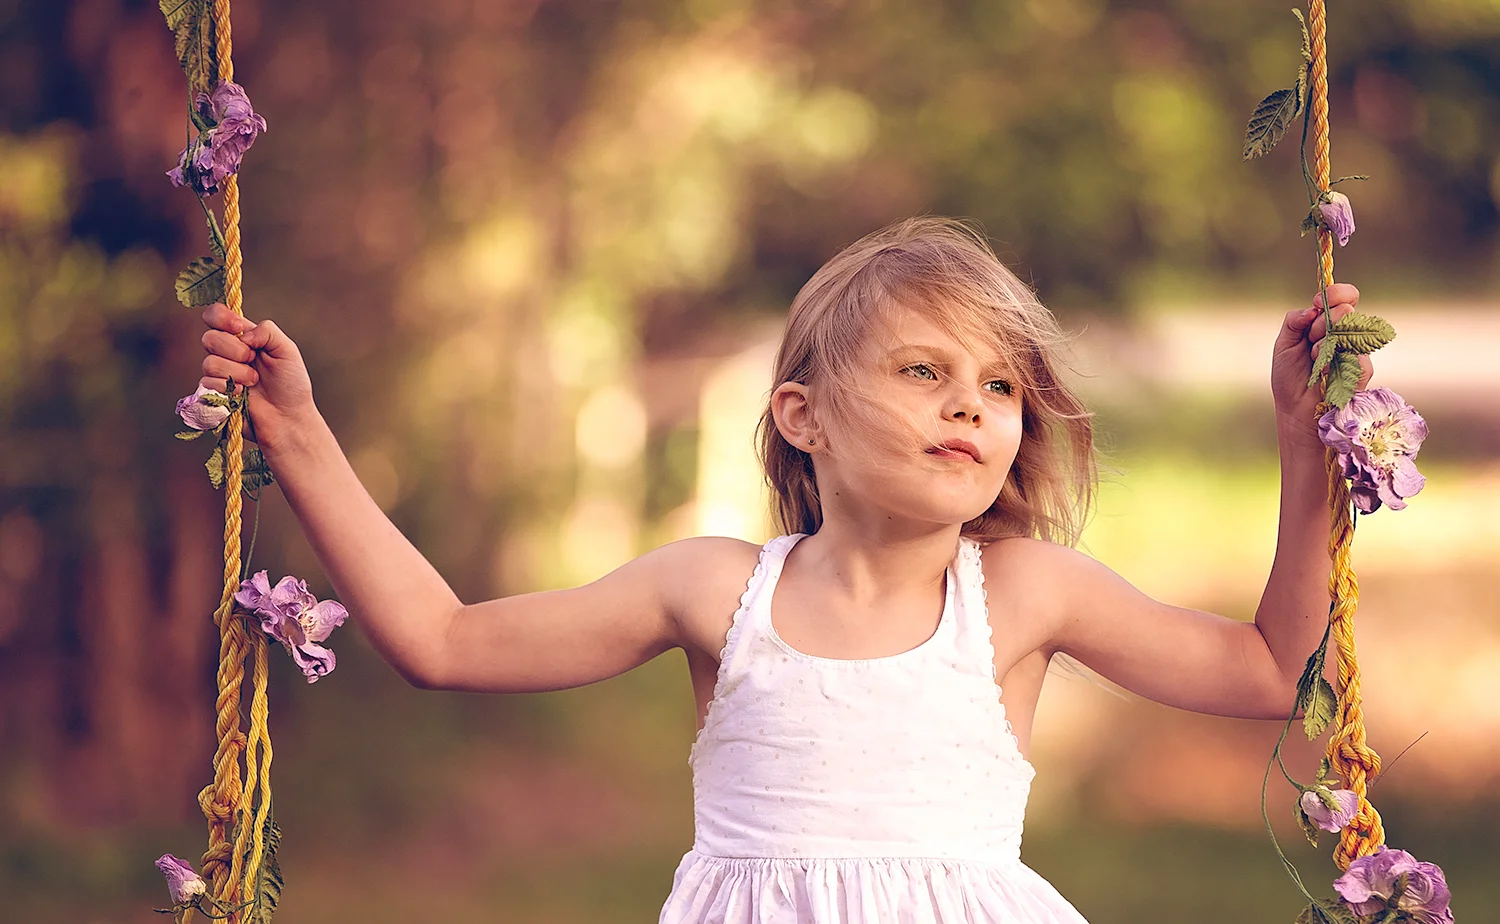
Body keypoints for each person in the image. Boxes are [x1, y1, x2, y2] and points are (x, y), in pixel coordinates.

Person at [196, 217, 1369, 923]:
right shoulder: (715, 592)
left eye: (1001, 385)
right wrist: (297, 435)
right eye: (923, 370)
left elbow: (1272, 669)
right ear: (802, 415)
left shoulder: (1021, 590)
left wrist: (1303, 443)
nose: (971, 400)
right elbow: (443, 642)